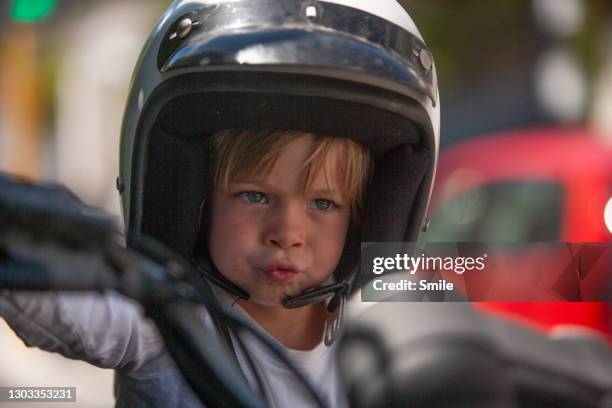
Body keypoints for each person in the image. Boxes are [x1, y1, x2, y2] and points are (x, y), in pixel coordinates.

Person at [0, 0, 440, 407]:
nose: (286, 233)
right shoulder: (167, 322)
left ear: (365, 218)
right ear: (195, 202)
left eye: (323, 204)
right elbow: (60, 303)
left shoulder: (383, 350)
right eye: (254, 196)